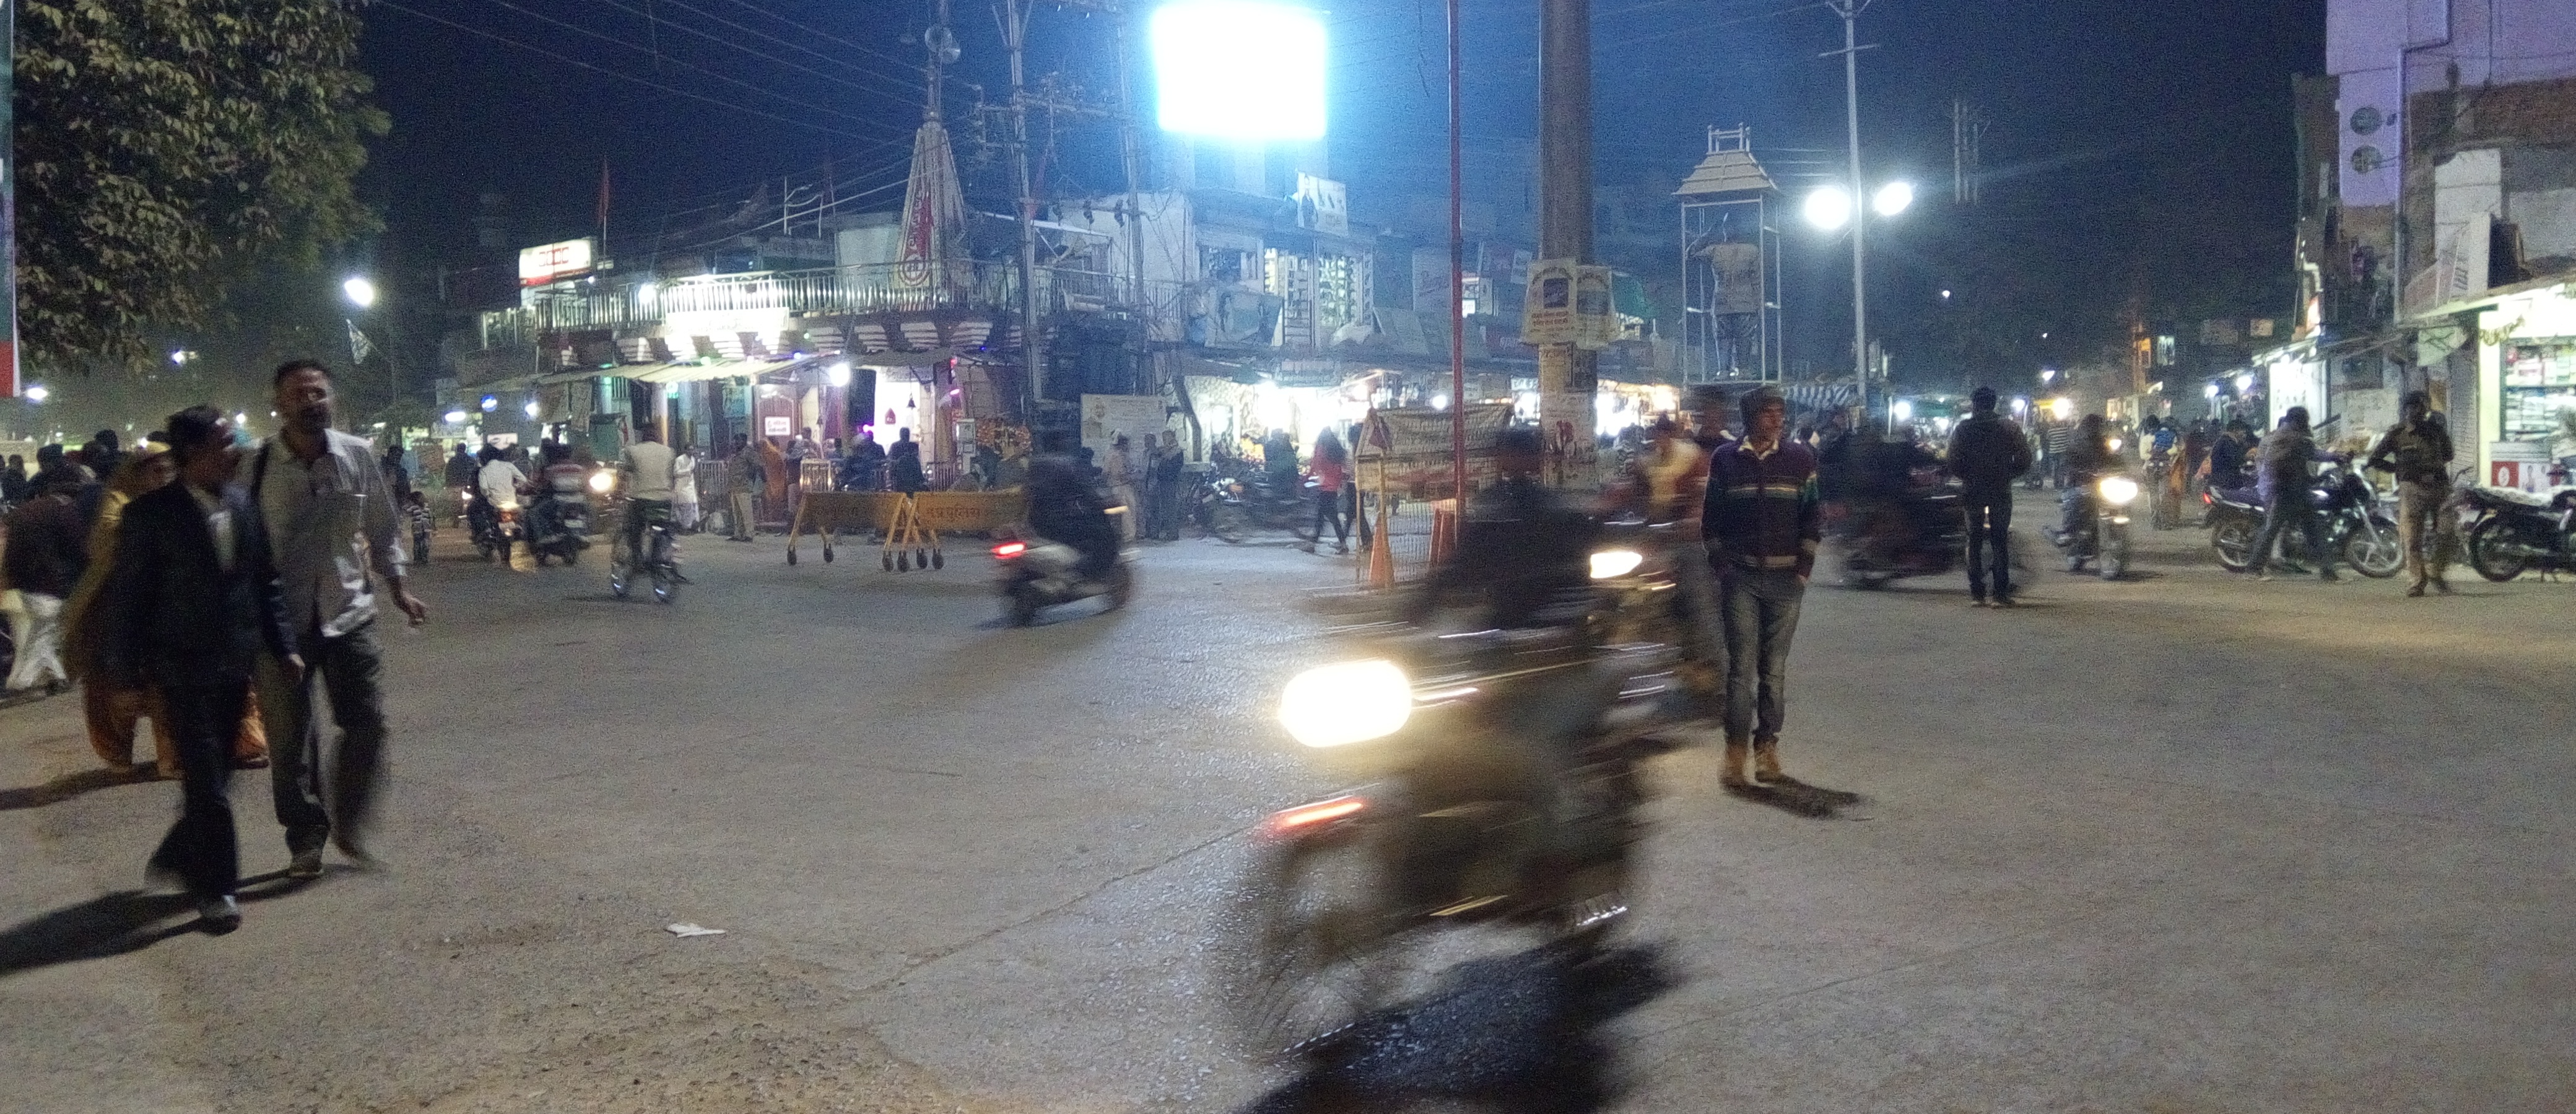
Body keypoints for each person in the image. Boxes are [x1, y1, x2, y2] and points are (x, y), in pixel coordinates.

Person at [100, 406, 301, 934]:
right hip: (180, 666)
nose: (234, 449)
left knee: (223, 773)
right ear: (191, 452)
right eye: (222, 441)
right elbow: (128, 599)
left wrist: (284, 646)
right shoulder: (150, 516)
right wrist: (122, 675)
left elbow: (265, 582)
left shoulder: (242, 503)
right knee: (208, 779)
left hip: (236, 661)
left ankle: (180, 848)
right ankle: (216, 889)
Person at [248, 359, 429, 876]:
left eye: (319, 392)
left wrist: (399, 588)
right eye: (299, 394)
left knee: (367, 722)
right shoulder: (256, 466)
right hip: (282, 623)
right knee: (289, 740)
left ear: (332, 398)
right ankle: (305, 837)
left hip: (350, 612)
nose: (311, 402)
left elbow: (383, 527)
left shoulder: (356, 455)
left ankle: (349, 822)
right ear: (280, 405)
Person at [66, 443, 269, 777]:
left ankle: (235, 745)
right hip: (125, 608)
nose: (163, 476)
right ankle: (126, 754)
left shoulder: (191, 499)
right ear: (135, 474)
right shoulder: (118, 507)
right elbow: (115, 553)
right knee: (114, 691)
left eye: (168, 469)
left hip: (182, 607)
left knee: (220, 680)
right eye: (154, 470)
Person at [1702, 388, 1821, 790]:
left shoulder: (1801, 459)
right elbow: (1711, 522)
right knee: (1741, 671)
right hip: (1742, 580)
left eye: (1780, 413)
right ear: (1751, 418)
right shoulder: (1726, 460)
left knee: (1774, 671)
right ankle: (1734, 753)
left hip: (1787, 582)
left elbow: (1812, 518)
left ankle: (1767, 748)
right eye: (1768, 413)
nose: (1776, 420)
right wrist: (1723, 568)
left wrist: (1803, 569)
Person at [1946, 386, 2034, 607]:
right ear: (1994, 404)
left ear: (1974, 405)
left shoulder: (1962, 429)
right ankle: (2000, 595)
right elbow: (2024, 458)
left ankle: (1977, 594)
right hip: (2000, 491)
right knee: (1999, 540)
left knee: (1973, 541)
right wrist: (2008, 475)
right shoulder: (2009, 428)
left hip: (1973, 491)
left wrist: (1969, 476)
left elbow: (1953, 462)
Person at [4, 468, 89, 692]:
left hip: (26, 585)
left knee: (42, 635)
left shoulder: (26, 510)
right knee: (44, 635)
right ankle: (20, 682)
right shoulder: (63, 510)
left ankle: (60, 677)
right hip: (51, 584)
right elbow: (79, 547)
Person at [2366, 390, 2456, 596]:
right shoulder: (2397, 434)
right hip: (2412, 489)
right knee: (2412, 538)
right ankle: (2417, 580)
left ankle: (2436, 571)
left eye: (2420, 407)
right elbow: (2375, 459)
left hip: (2439, 487)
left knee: (2448, 532)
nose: (2416, 411)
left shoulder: (2436, 431)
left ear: (2425, 410)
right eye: (2412, 407)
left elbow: (2449, 454)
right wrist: (2398, 470)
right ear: (2405, 409)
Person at [2249, 405, 2338, 583]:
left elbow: (2310, 454)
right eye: (2305, 419)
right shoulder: (2292, 437)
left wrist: (2334, 457)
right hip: (2286, 491)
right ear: (2299, 420)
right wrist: (2335, 457)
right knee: (2274, 531)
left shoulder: (2285, 435)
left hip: (2295, 490)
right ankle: (2253, 568)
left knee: (2311, 531)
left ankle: (2328, 572)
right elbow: (2312, 453)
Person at [1025, 431, 1118, 577]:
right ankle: (1085, 572)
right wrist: (1100, 503)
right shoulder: (1066, 463)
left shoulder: (1035, 463)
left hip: (1037, 520)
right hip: (1062, 521)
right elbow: (1085, 491)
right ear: (1060, 443)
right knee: (1102, 533)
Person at [619, 422, 679, 570]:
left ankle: (637, 559)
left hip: (642, 500)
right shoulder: (669, 452)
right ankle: (658, 555)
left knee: (634, 528)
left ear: (642, 436)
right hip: (665, 500)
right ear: (657, 435)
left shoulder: (632, 451)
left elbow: (626, 470)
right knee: (661, 526)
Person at [1301, 429, 1351, 554]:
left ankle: (1313, 544)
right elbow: (1340, 471)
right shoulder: (1336, 451)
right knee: (1331, 517)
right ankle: (1342, 544)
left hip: (1324, 488)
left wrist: (1305, 478)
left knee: (1322, 517)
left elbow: (1315, 466)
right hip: (1333, 489)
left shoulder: (1321, 449)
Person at [475, 445, 528, 562]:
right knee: (520, 519)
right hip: (511, 502)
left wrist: (489, 495)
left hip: (495, 503)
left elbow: (484, 489)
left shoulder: (484, 470)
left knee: (487, 517)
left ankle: (490, 533)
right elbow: (523, 480)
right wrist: (515, 487)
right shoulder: (509, 466)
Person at [1146, 430, 1186, 541]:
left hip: (1170, 483)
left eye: (1166, 437)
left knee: (1170, 509)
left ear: (1172, 437)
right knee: (1164, 509)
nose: (1164, 440)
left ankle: (1172, 533)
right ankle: (1167, 532)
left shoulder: (1177, 452)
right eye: (1163, 438)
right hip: (1162, 483)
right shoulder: (1163, 451)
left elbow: (1173, 469)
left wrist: (1163, 470)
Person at [1106, 434, 1141, 544]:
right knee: (1128, 512)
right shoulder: (1120, 456)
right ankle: (1129, 536)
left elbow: (1105, 472)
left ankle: (1125, 535)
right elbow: (1122, 473)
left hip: (1116, 487)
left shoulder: (1109, 455)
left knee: (1122, 513)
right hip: (1123, 487)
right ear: (1123, 444)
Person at [725, 433, 758, 541]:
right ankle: (739, 533)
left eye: (738, 441)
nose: (736, 443)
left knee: (746, 512)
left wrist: (750, 479)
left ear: (744, 441)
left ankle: (749, 534)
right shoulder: (735, 453)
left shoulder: (748, 452)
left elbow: (757, 465)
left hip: (744, 486)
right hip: (734, 487)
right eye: (735, 441)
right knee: (737, 513)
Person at [671, 447, 702, 531]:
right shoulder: (679, 460)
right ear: (685, 450)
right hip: (682, 487)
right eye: (689, 449)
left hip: (690, 486)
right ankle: (685, 527)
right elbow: (675, 472)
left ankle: (693, 527)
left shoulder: (693, 459)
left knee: (693, 507)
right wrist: (688, 471)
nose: (691, 451)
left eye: (692, 449)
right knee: (684, 507)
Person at [889, 429, 927, 495]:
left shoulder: (896, 446)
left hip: (906, 473)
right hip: (903, 474)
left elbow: (891, 459)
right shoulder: (913, 446)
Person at [404, 489, 433, 566]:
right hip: (417, 528)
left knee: (425, 544)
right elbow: (406, 511)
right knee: (417, 544)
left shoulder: (427, 507)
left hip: (426, 528)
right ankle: (417, 559)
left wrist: (433, 527)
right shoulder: (413, 507)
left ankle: (424, 558)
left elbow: (430, 517)